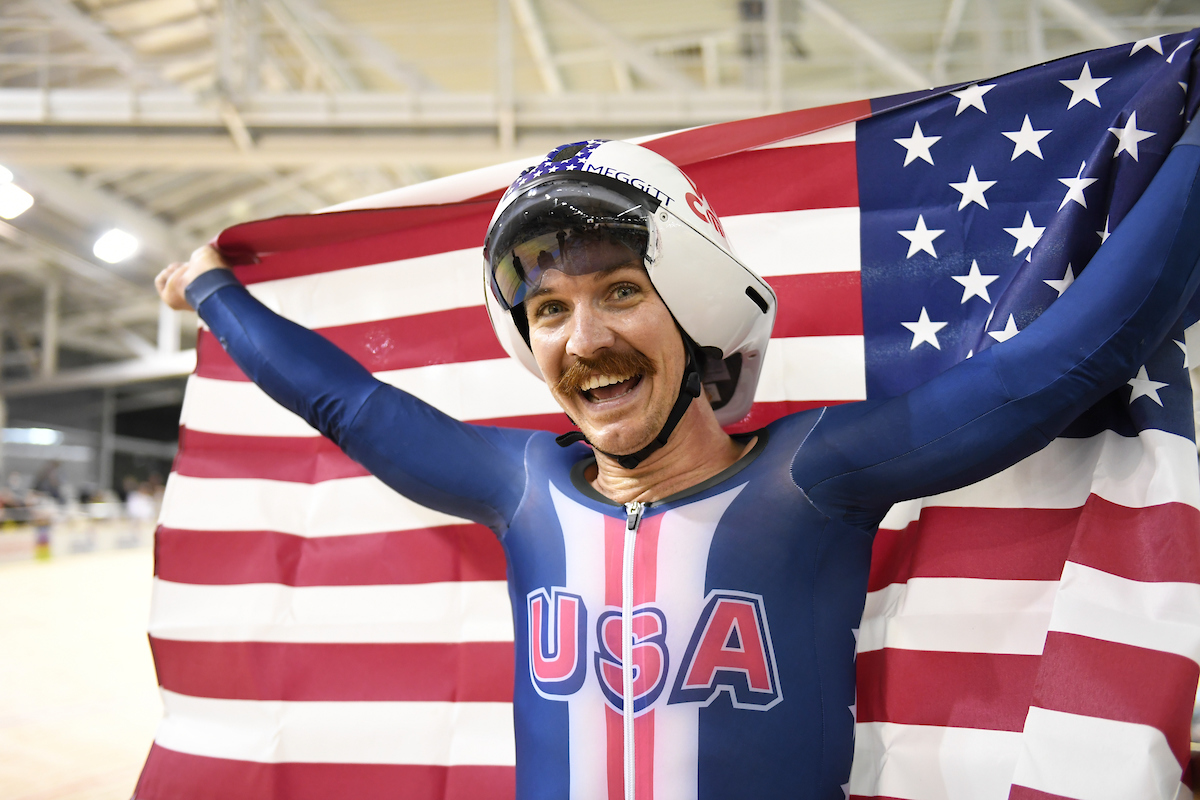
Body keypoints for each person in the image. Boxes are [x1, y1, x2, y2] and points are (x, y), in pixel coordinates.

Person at [157, 125, 1200, 799]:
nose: (582, 335)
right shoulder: (514, 485)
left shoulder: (815, 473)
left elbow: (1073, 359)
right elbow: (349, 402)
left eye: (619, 290)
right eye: (549, 309)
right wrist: (212, 290)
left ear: (696, 312)